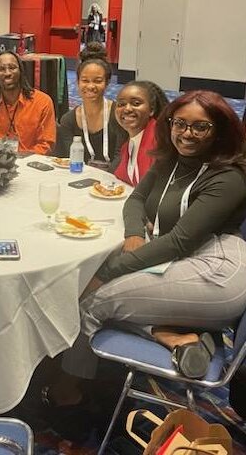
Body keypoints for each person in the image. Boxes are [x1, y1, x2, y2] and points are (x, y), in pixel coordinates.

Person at [47, 90, 246, 408]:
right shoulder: (171, 161)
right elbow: (136, 200)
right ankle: (173, 336)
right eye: (180, 123)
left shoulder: (229, 177)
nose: (187, 134)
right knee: (109, 289)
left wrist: (108, 272)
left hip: (219, 272)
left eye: (200, 127)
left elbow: (179, 241)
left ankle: (67, 391)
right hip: (188, 259)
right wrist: (134, 234)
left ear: (219, 131)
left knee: (89, 301)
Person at [56, 50, 126, 168]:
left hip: (114, 180)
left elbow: (121, 157)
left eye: (97, 81)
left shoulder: (119, 114)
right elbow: (69, 158)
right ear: (77, 82)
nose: (91, 86)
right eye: (85, 81)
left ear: (107, 83)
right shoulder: (68, 120)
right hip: (80, 178)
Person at [0, 51, 56, 154]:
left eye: (12, 68)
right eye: (1, 69)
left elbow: (46, 144)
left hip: (31, 165)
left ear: (21, 71)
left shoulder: (43, 102)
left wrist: (21, 159)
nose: (8, 73)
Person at [113, 80, 169, 186]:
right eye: (121, 104)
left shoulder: (161, 139)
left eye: (136, 103)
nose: (127, 109)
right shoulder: (128, 143)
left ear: (151, 109)